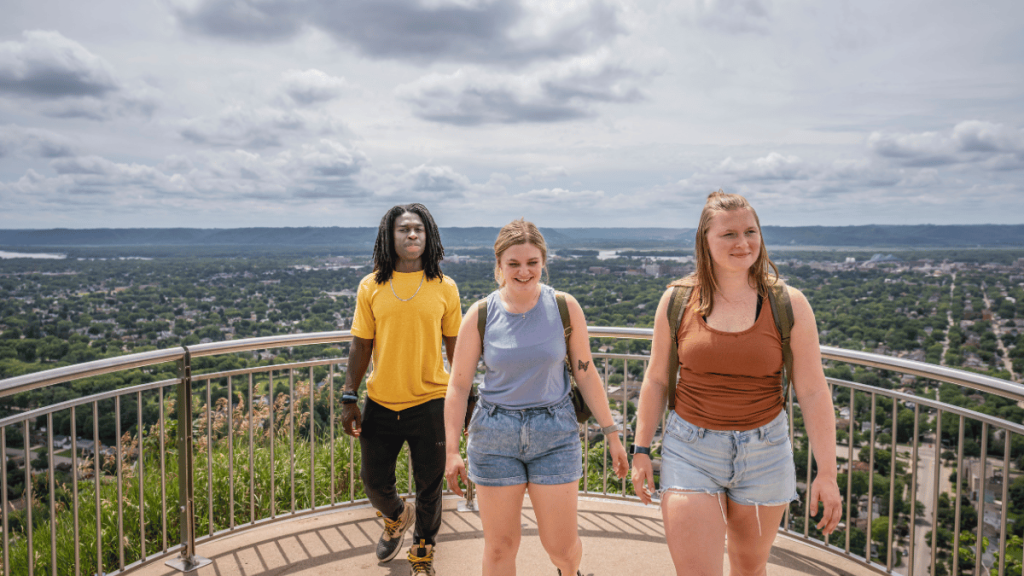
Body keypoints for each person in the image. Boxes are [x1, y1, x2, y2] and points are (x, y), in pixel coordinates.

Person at [630, 191, 842, 576]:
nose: (742, 243)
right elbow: (657, 378)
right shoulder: (676, 301)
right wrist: (641, 448)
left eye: (750, 231)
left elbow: (812, 391)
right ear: (705, 241)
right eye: (728, 234)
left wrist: (827, 471)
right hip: (690, 449)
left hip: (766, 451)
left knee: (749, 567)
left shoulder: (789, 304)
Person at [443, 219, 629, 576]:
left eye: (531, 262)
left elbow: (586, 373)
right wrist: (452, 451)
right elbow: (458, 387)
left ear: (543, 262)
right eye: (513, 263)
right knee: (500, 548)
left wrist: (612, 433)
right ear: (499, 266)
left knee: (560, 547)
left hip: (554, 432)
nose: (523, 271)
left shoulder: (564, 307)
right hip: (495, 434)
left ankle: (570, 573)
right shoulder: (481, 314)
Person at [341, 203, 462, 576]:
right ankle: (395, 516)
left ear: (429, 237)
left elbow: (457, 349)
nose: (412, 235)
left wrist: (464, 399)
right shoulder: (371, 285)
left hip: (431, 403)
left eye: (419, 229)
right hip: (380, 401)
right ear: (388, 237)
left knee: (430, 486)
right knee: (374, 481)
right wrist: (349, 396)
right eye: (403, 229)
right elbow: (361, 345)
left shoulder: (445, 287)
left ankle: (423, 552)